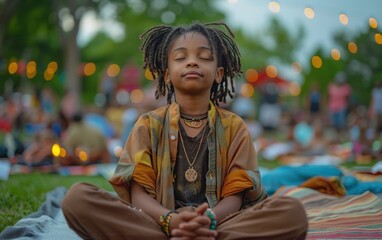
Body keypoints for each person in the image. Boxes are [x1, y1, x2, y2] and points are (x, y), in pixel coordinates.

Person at [62, 22, 308, 239]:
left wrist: (206, 221)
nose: (192, 61)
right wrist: (171, 221)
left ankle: (196, 235)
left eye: (203, 57)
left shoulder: (235, 127)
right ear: (167, 75)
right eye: (181, 57)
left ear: (219, 74)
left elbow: (236, 197)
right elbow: (138, 194)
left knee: (292, 212)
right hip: (157, 222)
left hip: (219, 223)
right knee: (77, 198)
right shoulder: (148, 124)